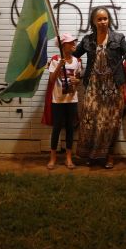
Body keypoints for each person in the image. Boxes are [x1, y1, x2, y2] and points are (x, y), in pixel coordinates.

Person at [73, 7, 126, 169]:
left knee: (110, 123)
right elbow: (74, 56)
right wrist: (62, 50)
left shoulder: (118, 38)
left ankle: (109, 156)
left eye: (105, 19)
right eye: (99, 19)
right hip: (93, 85)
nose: (103, 22)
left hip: (114, 87)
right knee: (90, 120)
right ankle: (91, 155)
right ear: (93, 22)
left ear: (109, 20)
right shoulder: (87, 41)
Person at [46, 33, 83, 170]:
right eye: (71, 42)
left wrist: (77, 81)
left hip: (72, 99)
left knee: (70, 128)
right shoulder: (55, 59)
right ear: (63, 45)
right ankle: (53, 158)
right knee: (56, 128)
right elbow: (51, 80)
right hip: (58, 100)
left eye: (74, 42)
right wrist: (58, 66)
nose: (74, 44)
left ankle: (68, 158)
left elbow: (78, 79)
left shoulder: (77, 61)